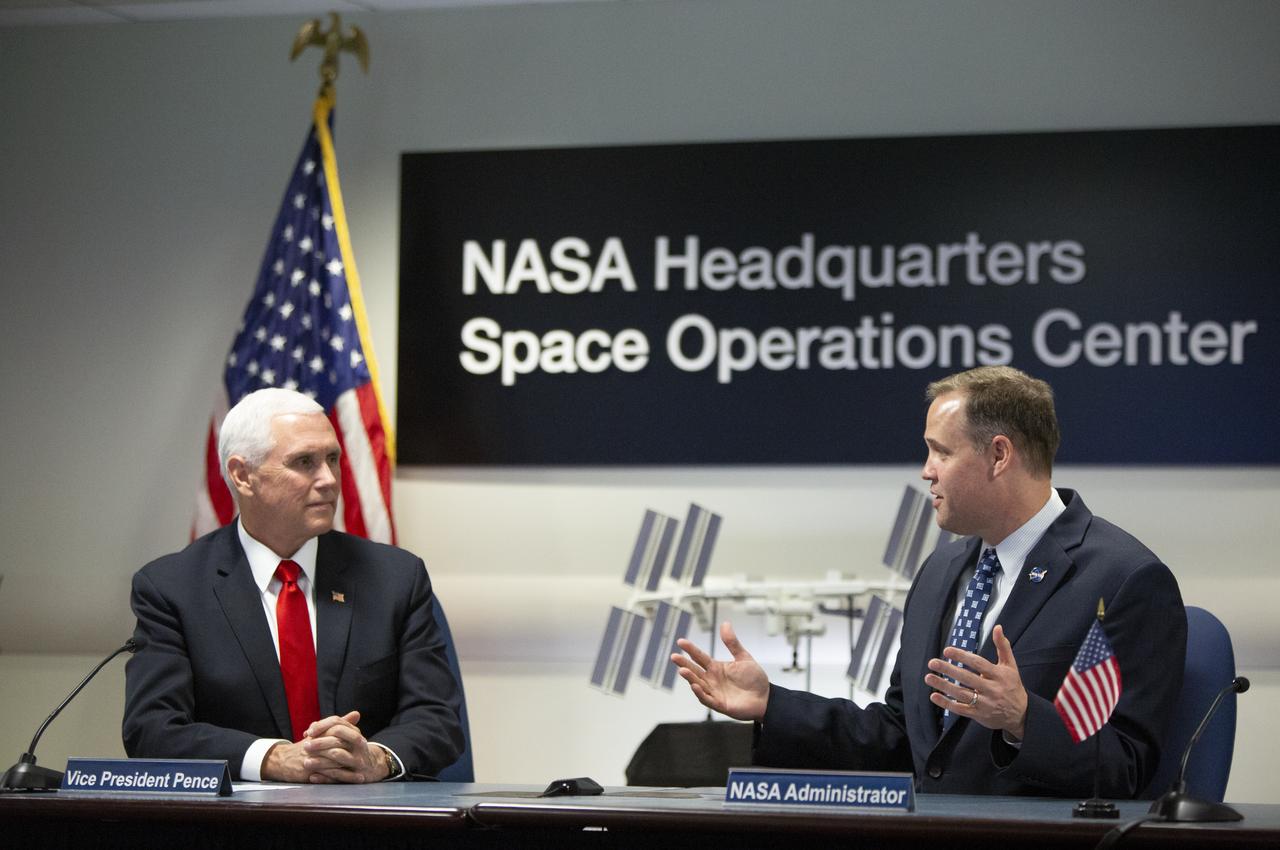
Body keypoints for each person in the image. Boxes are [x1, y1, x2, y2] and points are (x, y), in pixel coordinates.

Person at [672, 366, 1186, 797]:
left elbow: (1127, 769)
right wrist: (773, 704)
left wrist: (1024, 719)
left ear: (999, 455)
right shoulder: (941, 571)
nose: (926, 471)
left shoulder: (1124, 580)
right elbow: (904, 739)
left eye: (941, 451)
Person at [123, 388, 463, 782]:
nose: (329, 479)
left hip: (367, 809)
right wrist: (273, 758)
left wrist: (376, 758)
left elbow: (437, 717)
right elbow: (152, 728)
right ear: (242, 475)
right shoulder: (172, 589)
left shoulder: (395, 578)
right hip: (240, 814)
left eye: (332, 459)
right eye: (304, 462)